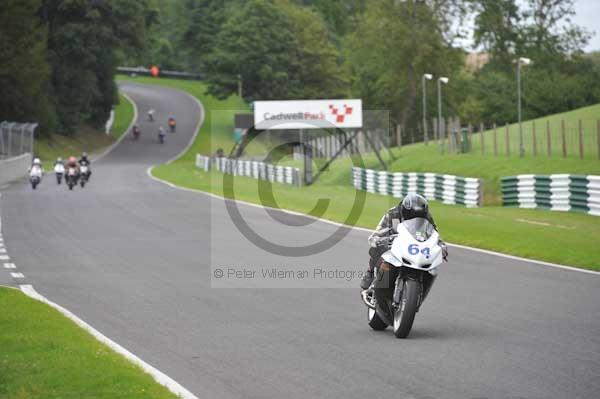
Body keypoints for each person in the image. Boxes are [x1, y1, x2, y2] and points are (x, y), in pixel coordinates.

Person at [360, 193, 448, 290]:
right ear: (405, 211)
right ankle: (370, 271)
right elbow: (379, 231)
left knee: (431, 267)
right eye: (411, 216)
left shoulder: (426, 216)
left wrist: (441, 245)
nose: (414, 218)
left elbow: (434, 234)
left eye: (418, 216)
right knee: (376, 248)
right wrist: (378, 238)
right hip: (394, 241)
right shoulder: (393, 214)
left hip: (415, 245)